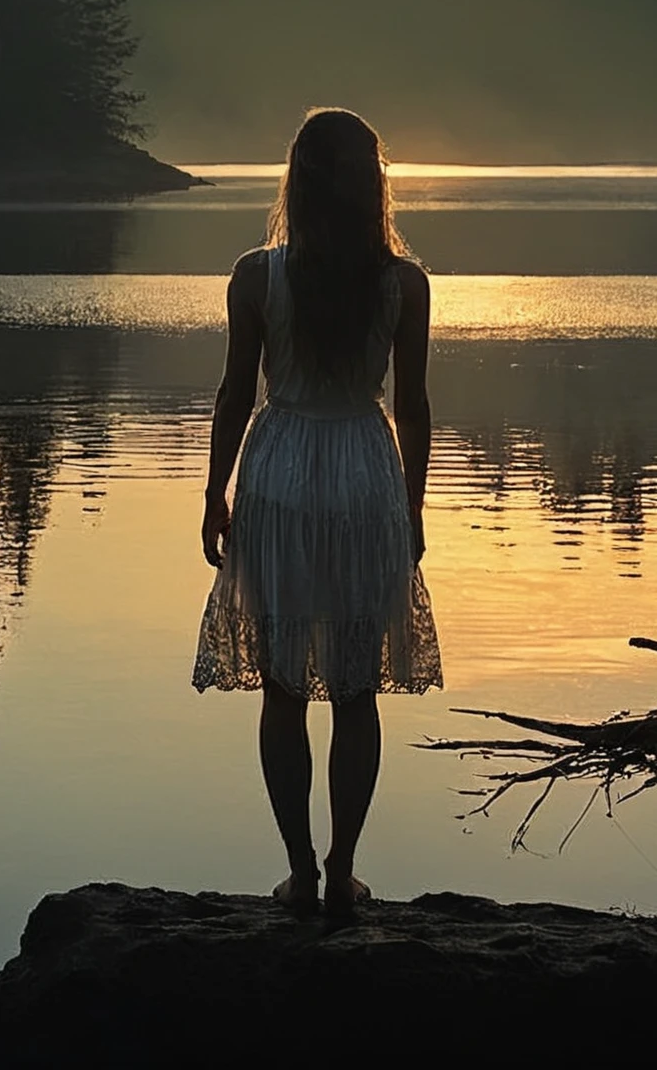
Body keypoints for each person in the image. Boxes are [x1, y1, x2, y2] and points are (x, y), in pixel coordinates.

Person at [192, 107, 442, 919]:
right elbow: (415, 407)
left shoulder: (253, 277)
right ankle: (341, 871)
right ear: (374, 185)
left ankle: (299, 872)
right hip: (366, 479)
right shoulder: (403, 284)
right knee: (356, 689)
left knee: (282, 690)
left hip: (281, 477)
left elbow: (235, 396)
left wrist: (214, 492)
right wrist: (412, 506)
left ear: (295, 182)